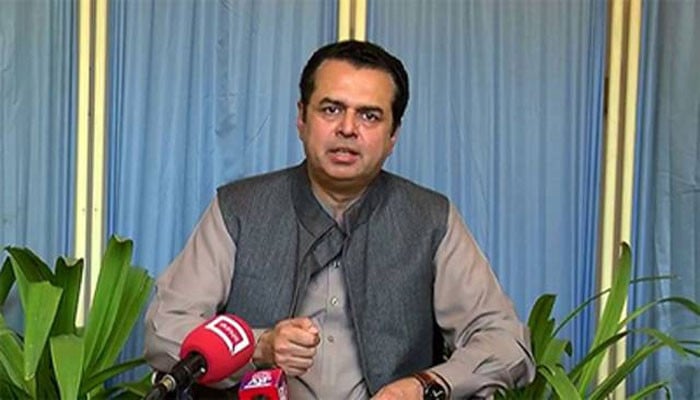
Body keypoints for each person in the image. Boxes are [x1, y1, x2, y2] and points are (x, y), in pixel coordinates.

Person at [144, 40, 535, 399]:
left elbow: (505, 342)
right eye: (331, 109)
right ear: (301, 118)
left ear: (393, 135)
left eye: (369, 116)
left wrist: (424, 387)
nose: (347, 129)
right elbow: (165, 331)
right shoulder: (239, 209)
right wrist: (259, 348)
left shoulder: (431, 218)